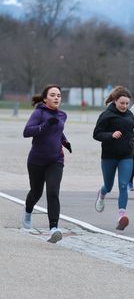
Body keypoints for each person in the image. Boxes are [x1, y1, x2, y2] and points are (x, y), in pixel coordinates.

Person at [22, 84, 71, 243]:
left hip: (56, 160)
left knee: (53, 192)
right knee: (36, 192)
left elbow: (58, 130)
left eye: (58, 95)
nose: (57, 97)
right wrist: (44, 125)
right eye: (53, 95)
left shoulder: (62, 115)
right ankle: (28, 211)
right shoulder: (39, 113)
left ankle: (54, 228)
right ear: (45, 99)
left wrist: (64, 141)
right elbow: (27, 132)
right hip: (36, 160)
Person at [93, 86, 134, 231]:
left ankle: (121, 216)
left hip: (126, 155)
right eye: (122, 103)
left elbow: (130, 131)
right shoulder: (106, 115)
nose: (125, 106)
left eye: (127, 103)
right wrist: (110, 135)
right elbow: (96, 134)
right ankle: (102, 194)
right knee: (108, 185)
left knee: (123, 185)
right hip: (109, 156)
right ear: (115, 101)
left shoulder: (130, 115)